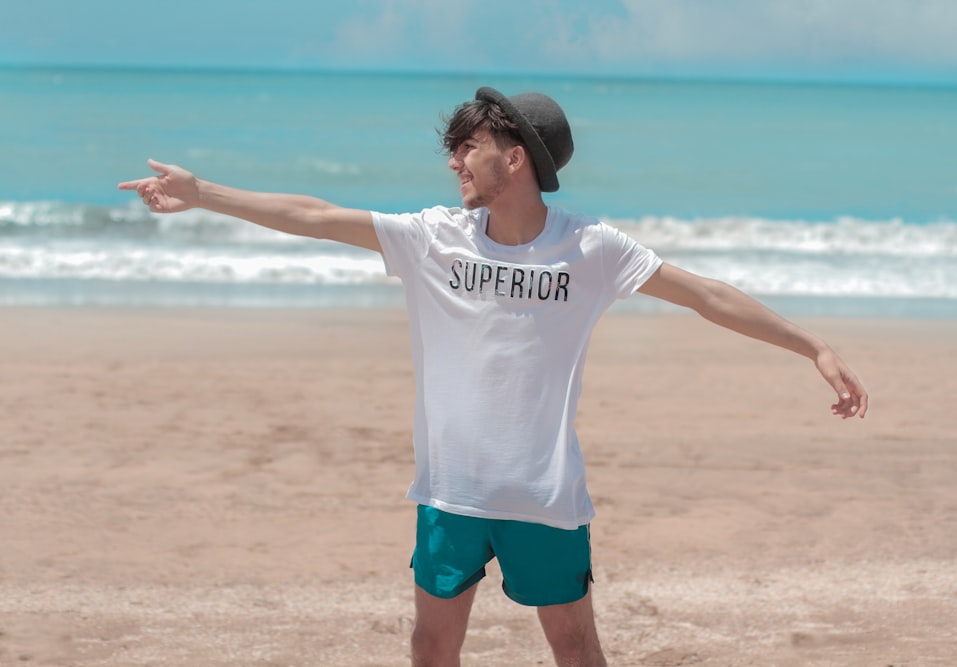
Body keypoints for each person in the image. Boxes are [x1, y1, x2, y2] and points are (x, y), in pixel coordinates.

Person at [119, 86, 868, 667]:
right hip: (451, 492)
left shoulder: (591, 250)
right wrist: (204, 192)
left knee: (575, 649)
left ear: (514, 158)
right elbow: (314, 214)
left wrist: (811, 345)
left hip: (544, 496)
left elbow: (705, 293)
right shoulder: (431, 239)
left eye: (467, 147)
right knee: (430, 649)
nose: (453, 162)